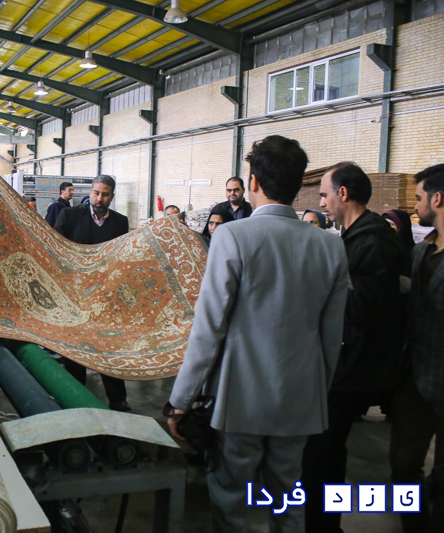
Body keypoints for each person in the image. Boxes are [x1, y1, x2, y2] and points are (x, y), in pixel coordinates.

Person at [165, 136, 349, 533]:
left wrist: (180, 400)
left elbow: (208, 328)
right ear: (298, 185)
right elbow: (331, 336)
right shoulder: (330, 248)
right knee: (288, 499)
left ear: (252, 182)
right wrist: (316, 393)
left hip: (240, 400)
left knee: (231, 499)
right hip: (300, 398)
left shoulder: (233, 237)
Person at [302, 162, 405, 532]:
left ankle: (324, 526)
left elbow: (365, 307)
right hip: (343, 360)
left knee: (323, 453)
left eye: (325, 195)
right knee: (323, 453)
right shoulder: (355, 236)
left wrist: (320, 279)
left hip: (352, 367)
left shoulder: (372, 240)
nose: (322, 203)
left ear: (343, 194)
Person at [390, 164, 444, 533]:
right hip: (413, 378)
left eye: (419, 197)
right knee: (403, 464)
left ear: (437, 199)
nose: (415, 205)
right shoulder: (421, 250)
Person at [54, 175, 131, 412]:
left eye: (105, 194)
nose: (100, 198)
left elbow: (122, 258)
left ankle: (118, 399)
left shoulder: (120, 222)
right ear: (90, 193)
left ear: (112, 196)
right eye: (96, 193)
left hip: (106, 297)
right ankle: (77, 397)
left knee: (109, 345)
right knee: (76, 348)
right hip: (75, 295)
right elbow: (55, 250)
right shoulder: (69, 215)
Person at [382, 209, 415, 275]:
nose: (385, 227)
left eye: (390, 224)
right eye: (382, 223)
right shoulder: (379, 248)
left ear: (402, 226)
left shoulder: (416, 253)